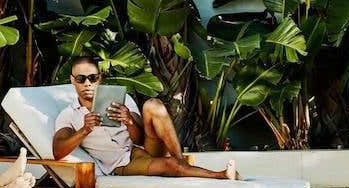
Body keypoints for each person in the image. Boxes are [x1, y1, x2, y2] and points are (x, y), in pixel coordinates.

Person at [52, 56, 237, 180]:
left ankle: (180, 159)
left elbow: (140, 138)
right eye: (81, 78)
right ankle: (219, 175)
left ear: (99, 78)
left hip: (143, 147)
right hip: (123, 163)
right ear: (72, 80)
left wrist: (129, 121)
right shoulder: (69, 114)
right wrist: (85, 130)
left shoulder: (121, 100)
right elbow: (58, 151)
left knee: (153, 104)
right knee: (169, 165)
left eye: (92, 78)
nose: (87, 84)